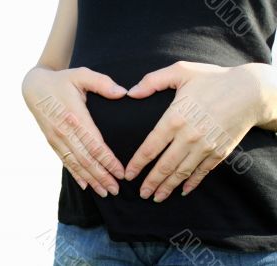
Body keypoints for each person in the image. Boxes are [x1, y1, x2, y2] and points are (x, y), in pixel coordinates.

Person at [22, 0, 277, 265]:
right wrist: (35, 84)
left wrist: (259, 88)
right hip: (92, 231)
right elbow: (51, 65)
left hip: (232, 231)